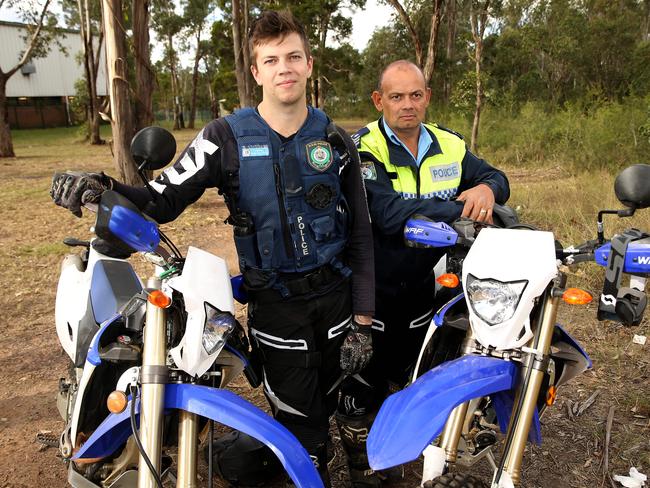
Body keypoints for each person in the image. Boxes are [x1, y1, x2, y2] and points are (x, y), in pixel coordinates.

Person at [50, 10, 375, 486]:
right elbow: (162, 201)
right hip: (276, 309)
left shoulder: (335, 139)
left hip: (338, 304)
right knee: (302, 434)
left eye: (293, 57)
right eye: (271, 60)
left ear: (308, 64)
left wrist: (363, 324)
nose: (284, 68)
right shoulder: (223, 137)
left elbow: (362, 235)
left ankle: (361, 462)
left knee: (346, 399)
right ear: (256, 71)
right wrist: (101, 186)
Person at [335, 60, 510, 486]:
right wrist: (463, 214)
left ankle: (403, 442)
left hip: (428, 286)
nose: (407, 105)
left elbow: (495, 178)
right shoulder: (361, 148)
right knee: (363, 381)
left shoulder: (449, 143)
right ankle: (363, 463)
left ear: (427, 97)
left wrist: (487, 189)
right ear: (380, 101)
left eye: (416, 95)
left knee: (412, 373)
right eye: (396, 96)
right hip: (370, 286)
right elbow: (387, 212)